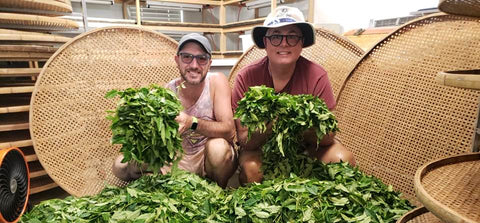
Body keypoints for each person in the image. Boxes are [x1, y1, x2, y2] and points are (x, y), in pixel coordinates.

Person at [232, 6, 356, 185]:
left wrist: (302, 123)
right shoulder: (247, 77)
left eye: (292, 36)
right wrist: (274, 121)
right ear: (265, 43)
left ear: (301, 43)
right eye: (275, 36)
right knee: (252, 169)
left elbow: (328, 136)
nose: (284, 43)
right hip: (261, 149)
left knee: (343, 159)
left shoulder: (317, 75)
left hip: (307, 148)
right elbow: (244, 140)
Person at [113, 33, 237, 188]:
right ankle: (164, 186)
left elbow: (229, 130)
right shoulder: (167, 92)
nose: (194, 65)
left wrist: (191, 122)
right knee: (120, 166)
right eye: (187, 57)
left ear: (209, 63)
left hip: (205, 159)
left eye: (201, 58)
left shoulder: (216, 82)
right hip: (176, 159)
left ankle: (218, 193)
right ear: (177, 60)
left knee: (218, 148)